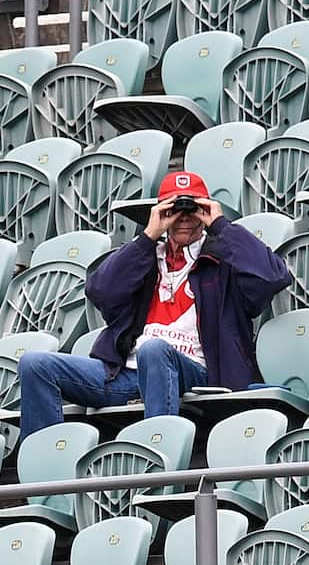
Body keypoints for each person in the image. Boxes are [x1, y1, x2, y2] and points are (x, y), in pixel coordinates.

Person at [18, 171, 292, 438]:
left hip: (196, 371)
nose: (184, 217)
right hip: (127, 374)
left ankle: (157, 453)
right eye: (174, 209)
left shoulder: (223, 262)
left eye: (193, 209)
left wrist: (221, 226)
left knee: (154, 350)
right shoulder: (144, 259)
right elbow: (99, 291)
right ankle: (45, 463)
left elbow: (274, 276)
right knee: (35, 365)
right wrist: (147, 236)